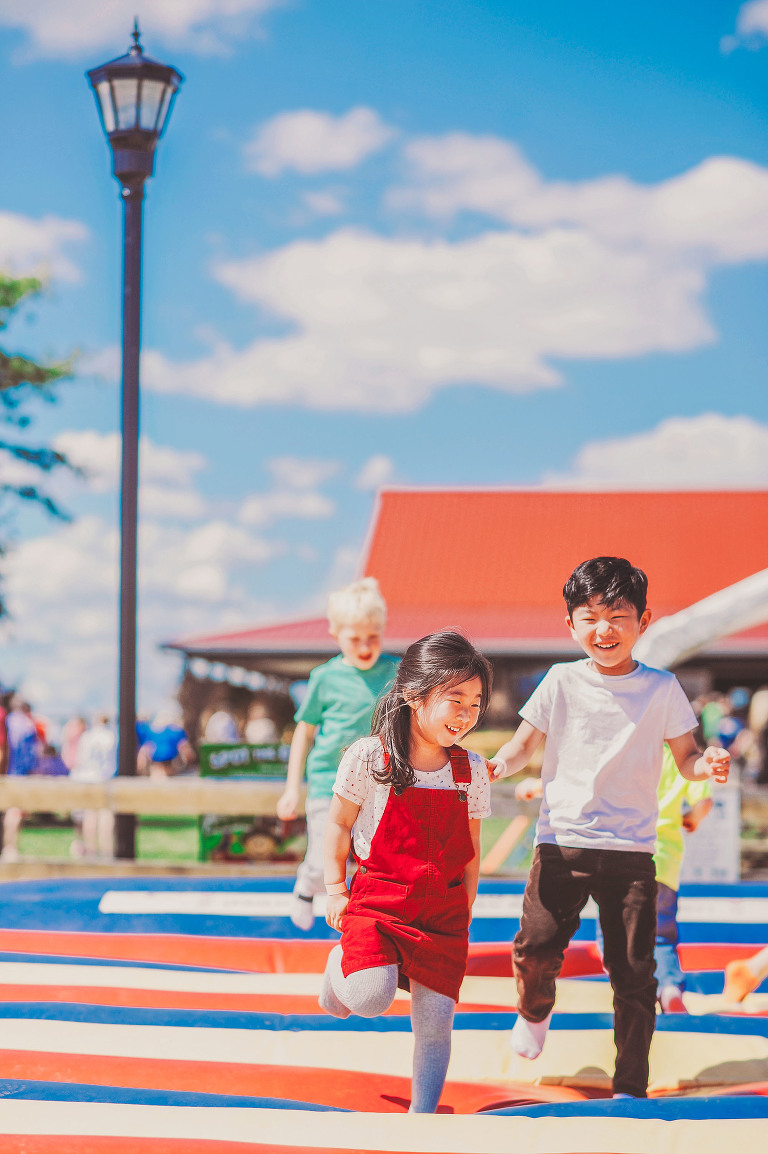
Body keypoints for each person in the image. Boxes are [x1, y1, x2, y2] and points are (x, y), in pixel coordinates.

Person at [490, 556, 730, 1100]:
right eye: (590, 616)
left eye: (617, 616)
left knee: (634, 972)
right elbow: (524, 743)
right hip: (562, 841)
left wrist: (708, 763)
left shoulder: (662, 689)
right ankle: (534, 1009)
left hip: (631, 849)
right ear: (570, 625)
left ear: (643, 622)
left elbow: (687, 756)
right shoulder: (560, 682)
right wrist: (500, 764)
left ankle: (631, 1084)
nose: (604, 630)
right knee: (536, 947)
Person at [320, 630, 493, 1114]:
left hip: (443, 912)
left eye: (476, 703)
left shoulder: (471, 770)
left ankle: (423, 1118)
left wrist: (466, 908)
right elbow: (337, 825)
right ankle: (338, 977)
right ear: (415, 695)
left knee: (437, 1022)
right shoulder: (370, 757)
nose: (467, 713)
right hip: (378, 901)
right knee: (370, 996)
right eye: (454, 699)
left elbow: (472, 850)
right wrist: (335, 889)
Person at [276, 577, 399, 931]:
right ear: (336, 635)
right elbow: (304, 731)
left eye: (372, 637)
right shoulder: (324, 678)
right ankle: (305, 887)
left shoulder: (394, 672)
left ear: (382, 630)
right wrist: (291, 788)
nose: (364, 646)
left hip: (376, 781)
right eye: (354, 638)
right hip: (327, 783)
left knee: (369, 852)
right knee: (324, 854)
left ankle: (365, 914)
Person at [70, 714, 117, 859]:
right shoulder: (112, 736)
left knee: (90, 814)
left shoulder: (87, 736)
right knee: (106, 815)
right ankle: (107, 851)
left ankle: (91, 849)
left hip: (89, 778)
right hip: (105, 778)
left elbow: (80, 759)